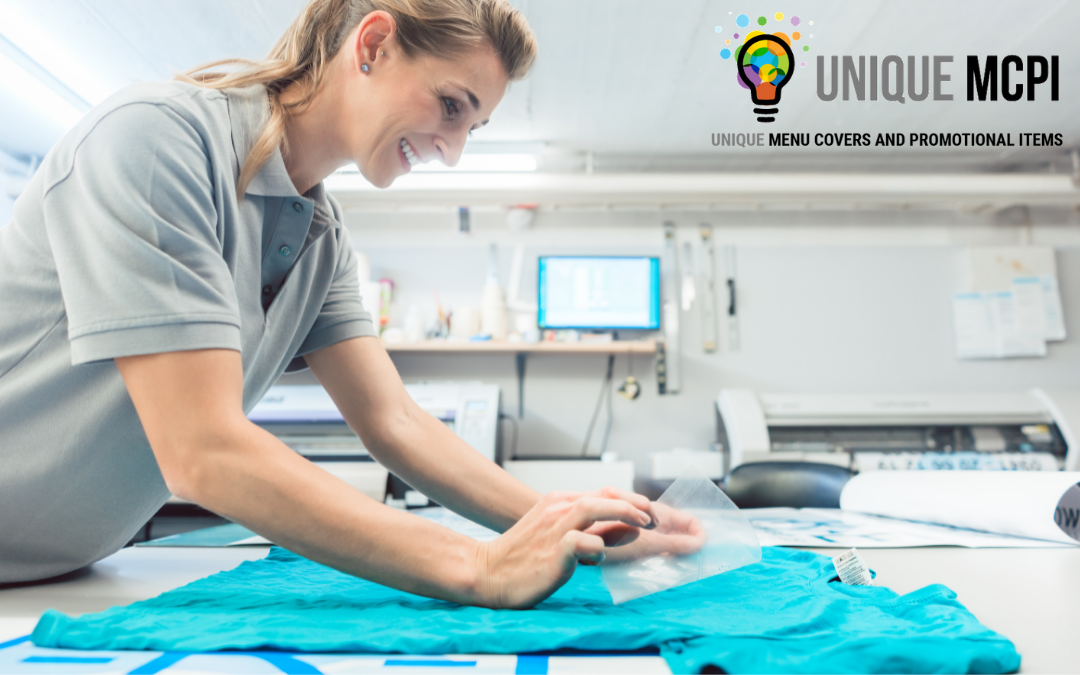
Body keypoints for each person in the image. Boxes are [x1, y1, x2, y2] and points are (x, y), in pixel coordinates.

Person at [0, 0, 698, 607]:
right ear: (371, 46)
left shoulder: (319, 236)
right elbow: (201, 448)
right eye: (450, 105)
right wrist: (477, 565)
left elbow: (394, 422)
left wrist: (569, 520)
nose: (452, 151)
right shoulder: (157, 141)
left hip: (53, 577)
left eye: (471, 128)